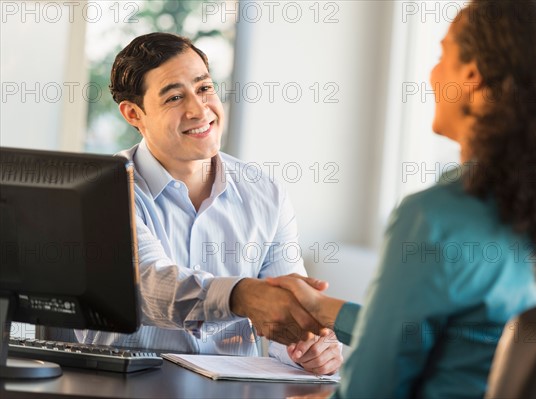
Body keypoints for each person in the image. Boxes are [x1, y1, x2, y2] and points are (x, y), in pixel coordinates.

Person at [269, 0, 536, 396]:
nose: (432, 72)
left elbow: (369, 391)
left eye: (444, 55)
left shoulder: (434, 219)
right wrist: (322, 308)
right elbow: (467, 337)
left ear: (473, 77)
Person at [76, 32, 342, 374]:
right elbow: (148, 285)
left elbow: (284, 317)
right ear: (133, 114)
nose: (199, 110)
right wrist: (239, 295)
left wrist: (307, 347)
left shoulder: (265, 192)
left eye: (204, 89)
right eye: (174, 97)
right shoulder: (105, 187)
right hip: (124, 388)